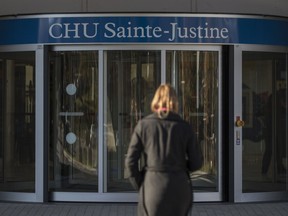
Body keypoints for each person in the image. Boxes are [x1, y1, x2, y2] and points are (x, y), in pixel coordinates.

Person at [125, 83, 203, 216]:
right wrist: (182, 168)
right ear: (175, 102)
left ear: (155, 100)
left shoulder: (144, 126)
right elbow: (197, 162)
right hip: (179, 187)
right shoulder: (184, 127)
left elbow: (130, 163)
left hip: (153, 187)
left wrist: (142, 184)